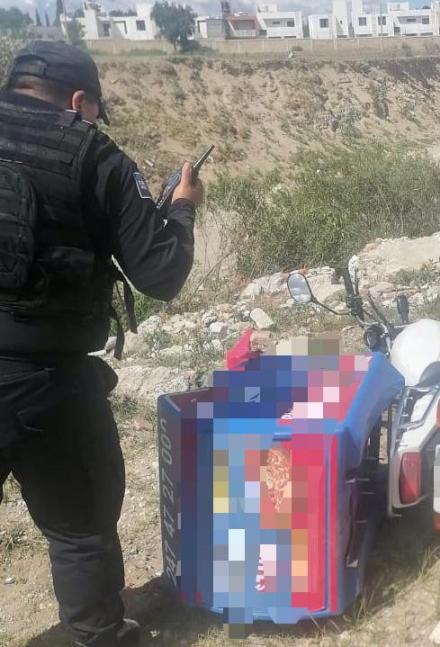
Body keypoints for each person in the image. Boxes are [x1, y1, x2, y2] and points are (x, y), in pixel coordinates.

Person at [0, 41, 204, 646]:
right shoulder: (95, 156)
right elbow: (161, 274)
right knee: (79, 522)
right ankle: (98, 635)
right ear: (80, 100)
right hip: (45, 382)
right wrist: (183, 211)